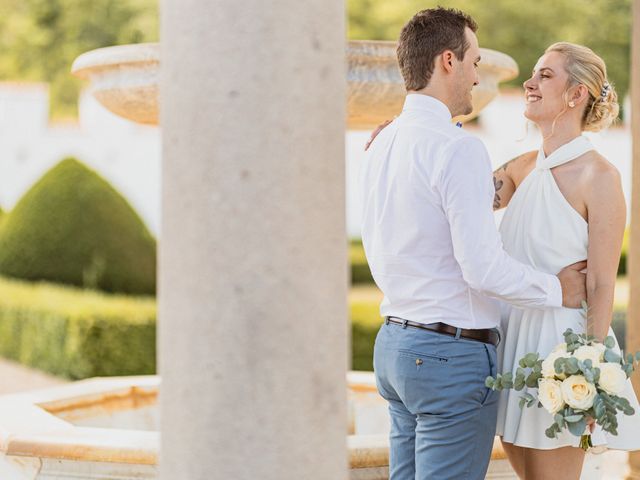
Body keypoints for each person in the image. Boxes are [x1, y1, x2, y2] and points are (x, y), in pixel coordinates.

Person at [359, 8, 587, 480]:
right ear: (448, 61)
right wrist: (558, 290)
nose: (476, 77)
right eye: (474, 62)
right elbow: (481, 270)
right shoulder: (455, 147)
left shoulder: (382, 142)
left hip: (394, 348)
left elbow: (452, 206)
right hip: (448, 356)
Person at [493, 42, 640, 479]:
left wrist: (589, 376)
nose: (529, 82)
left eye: (545, 75)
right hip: (512, 341)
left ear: (577, 95)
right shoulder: (520, 168)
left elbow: (600, 285)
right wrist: (401, 137)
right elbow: (452, 195)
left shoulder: (601, 177)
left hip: (562, 353)